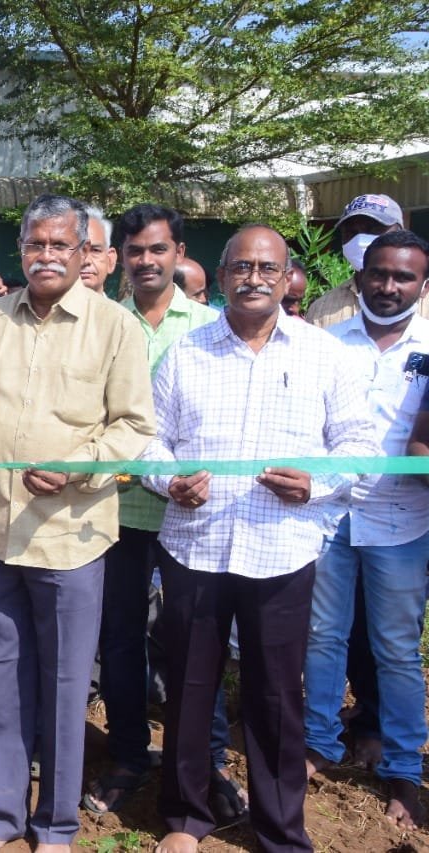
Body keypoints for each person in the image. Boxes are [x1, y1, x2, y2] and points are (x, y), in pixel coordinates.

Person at [142, 225, 377, 853]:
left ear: (286, 277)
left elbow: (361, 447)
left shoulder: (324, 355)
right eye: (241, 267)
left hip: (282, 551)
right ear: (220, 279)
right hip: (197, 545)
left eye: (267, 268)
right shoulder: (188, 353)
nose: (254, 277)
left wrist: (318, 485)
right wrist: (168, 482)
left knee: (275, 693)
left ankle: (278, 828)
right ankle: (187, 818)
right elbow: (149, 441)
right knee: (192, 687)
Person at [0, 194, 156, 853]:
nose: (47, 256)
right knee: (0, 683)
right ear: (22, 250)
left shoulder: (115, 326)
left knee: (65, 689)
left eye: (63, 246)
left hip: (71, 537)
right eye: (36, 245)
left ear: (85, 252)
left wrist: (76, 467)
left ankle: (57, 825)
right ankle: (3, 818)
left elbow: (133, 427)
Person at [85, 204, 223, 817]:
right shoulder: (101, 323)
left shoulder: (210, 325)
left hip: (196, 512)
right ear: (120, 258)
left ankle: (205, 762)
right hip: (118, 513)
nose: (147, 261)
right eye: (135, 251)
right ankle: (129, 754)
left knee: (196, 641)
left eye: (158, 250)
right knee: (120, 640)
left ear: (178, 253)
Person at [304, 230, 429, 831]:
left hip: (403, 521)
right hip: (330, 514)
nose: (388, 286)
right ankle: (317, 745)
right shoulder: (327, 346)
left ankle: (404, 766)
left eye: (403, 277)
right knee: (323, 635)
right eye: (378, 274)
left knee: (398, 650)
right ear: (359, 279)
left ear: (422, 285)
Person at [305, 193, 429, 327]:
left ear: (400, 233)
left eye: (373, 229)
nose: (359, 240)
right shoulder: (321, 310)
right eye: (351, 232)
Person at [80, 206, 119, 294]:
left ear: (110, 260)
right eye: (78, 251)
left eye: (95, 250)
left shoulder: (119, 308)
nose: (86, 260)